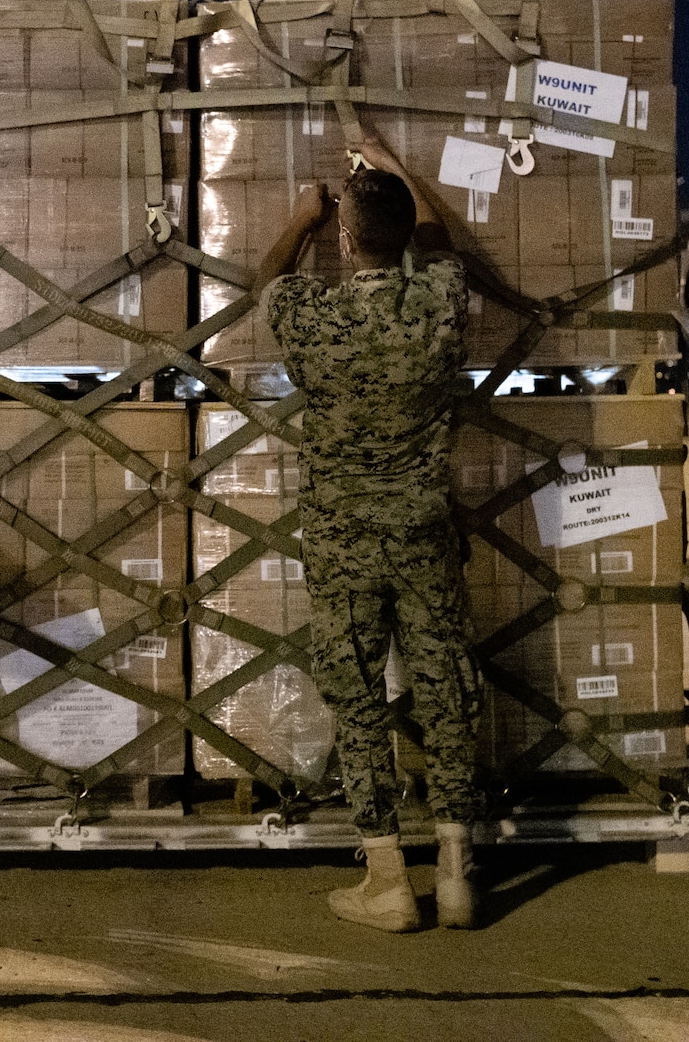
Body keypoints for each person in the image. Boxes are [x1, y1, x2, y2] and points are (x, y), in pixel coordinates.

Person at [255, 132, 481, 933]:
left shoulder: (312, 314)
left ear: (345, 240)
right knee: (447, 687)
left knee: (359, 704)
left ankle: (387, 878)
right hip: (423, 530)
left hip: (345, 539)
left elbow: (267, 282)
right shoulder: (440, 302)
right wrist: (391, 165)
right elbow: (441, 241)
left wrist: (302, 217)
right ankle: (456, 872)